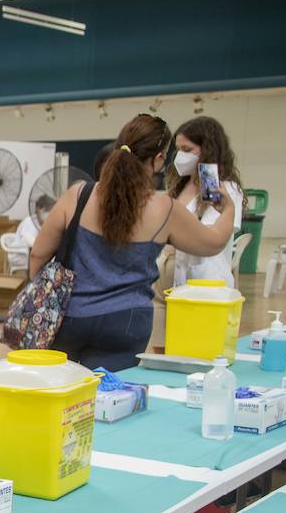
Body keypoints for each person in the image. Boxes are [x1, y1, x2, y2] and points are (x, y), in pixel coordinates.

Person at [30, 114, 237, 372]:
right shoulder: (164, 208)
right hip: (126, 321)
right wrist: (227, 209)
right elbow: (213, 242)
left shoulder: (78, 195)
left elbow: (38, 254)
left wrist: (43, 297)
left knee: (59, 389)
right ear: (159, 159)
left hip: (70, 315)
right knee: (110, 398)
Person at [166, 116, 245, 288]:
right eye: (178, 149)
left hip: (208, 281)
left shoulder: (226, 190)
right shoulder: (179, 186)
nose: (180, 155)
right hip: (177, 280)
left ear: (208, 149)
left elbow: (208, 235)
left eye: (187, 149)